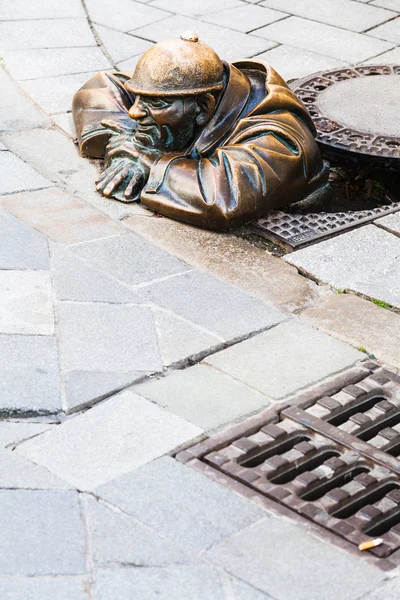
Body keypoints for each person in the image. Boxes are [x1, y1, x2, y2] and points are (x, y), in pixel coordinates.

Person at [73, 32, 329, 231]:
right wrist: (130, 140)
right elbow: (99, 89)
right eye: (138, 98)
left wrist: (147, 161)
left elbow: (225, 197)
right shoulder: (185, 92)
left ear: (203, 107)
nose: (135, 112)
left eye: (155, 104)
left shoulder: (280, 140)